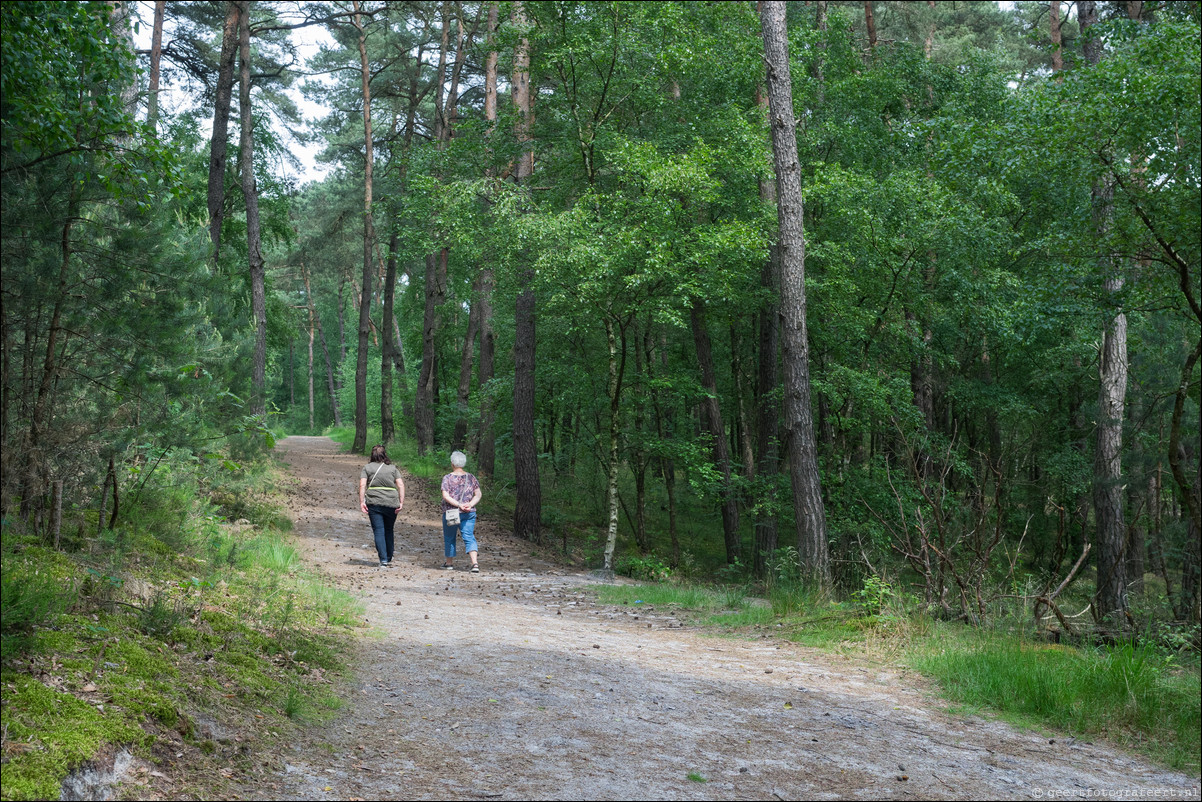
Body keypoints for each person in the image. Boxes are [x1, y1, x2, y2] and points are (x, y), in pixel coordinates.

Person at [359, 445, 405, 567]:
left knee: (379, 531)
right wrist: (401, 502)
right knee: (389, 530)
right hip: (391, 502)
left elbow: (362, 485)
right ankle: (389, 557)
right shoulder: (393, 468)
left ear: (372, 455)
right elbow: (400, 485)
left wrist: (362, 501)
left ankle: (383, 559)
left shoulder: (367, 468)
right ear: (385, 455)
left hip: (374, 502)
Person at [441, 450, 482, 572]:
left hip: (452, 512)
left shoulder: (447, 478)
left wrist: (459, 505)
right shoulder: (471, 477)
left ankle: (449, 563)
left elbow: (446, 496)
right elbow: (478, 494)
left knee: (450, 537)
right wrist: (469, 504)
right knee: (469, 536)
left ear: (452, 463)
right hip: (469, 513)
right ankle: (475, 564)